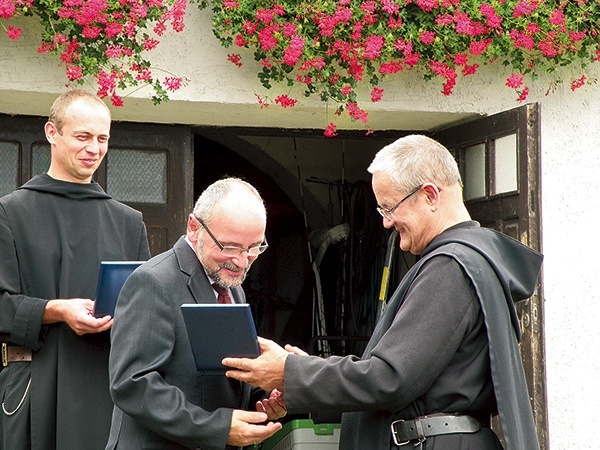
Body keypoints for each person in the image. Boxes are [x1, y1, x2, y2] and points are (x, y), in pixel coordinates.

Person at [223, 135, 543, 450]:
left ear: (430, 195)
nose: (387, 223)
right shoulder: (460, 262)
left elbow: (389, 379)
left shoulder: (450, 266)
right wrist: (305, 374)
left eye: (389, 208)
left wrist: (291, 372)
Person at [0, 90, 151, 449]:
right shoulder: (10, 213)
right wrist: (57, 310)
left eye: (102, 139)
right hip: (33, 388)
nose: (93, 149)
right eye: (82, 137)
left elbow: (149, 314)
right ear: (52, 133)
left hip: (106, 390)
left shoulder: (129, 223)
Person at [105, 177, 285, 450]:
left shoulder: (231, 286)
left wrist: (268, 396)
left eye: (253, 248)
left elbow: (223, 376)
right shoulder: (153, 282)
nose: (241, 261)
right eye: (230, 247)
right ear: (193, 228)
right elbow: (132, 385)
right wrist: (218, 428)